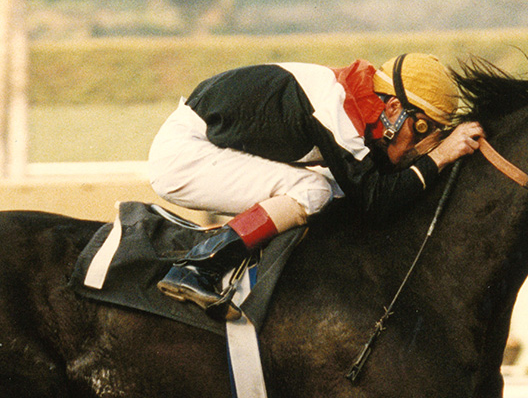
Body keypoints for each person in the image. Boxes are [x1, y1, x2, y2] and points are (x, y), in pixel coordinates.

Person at [147, 53, 485, 311]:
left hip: (205, 142)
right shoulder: (339, 106)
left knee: (334, 190)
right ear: (394, 106)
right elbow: (376, 202)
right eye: (420, 130)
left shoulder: (356, 101)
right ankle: (200, 265)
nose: (414, 148)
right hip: (185, 156)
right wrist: (440, 157)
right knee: (314, 190)